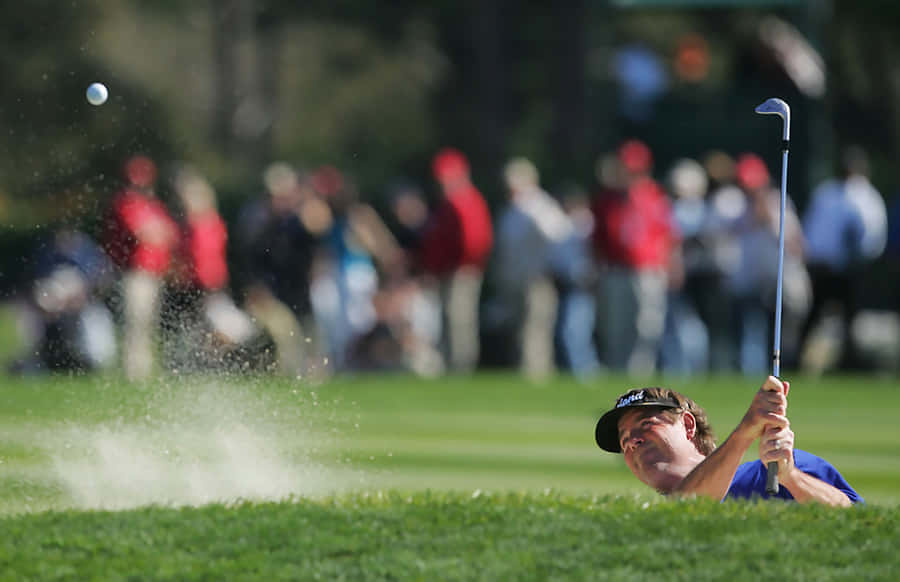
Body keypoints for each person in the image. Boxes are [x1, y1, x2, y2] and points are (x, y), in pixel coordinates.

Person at [593, 376, 862, 505]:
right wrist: (745, 431)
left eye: (646, 424)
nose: (632, 441)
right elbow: (687, 509)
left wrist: (791, 478)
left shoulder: (772, 469)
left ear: (688, 425)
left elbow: (858, 525)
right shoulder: (647, 523)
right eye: (623, 440)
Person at [798, 146, 887, 371]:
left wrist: (858, 257)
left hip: (851, 269)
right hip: (825, 268)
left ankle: (849, 361)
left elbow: (872, 234)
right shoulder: (828, 193)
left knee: (849, 319)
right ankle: (800, 360)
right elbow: (814, 230)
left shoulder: (865, 196)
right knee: (815, 316)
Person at [103, 155, 180, 380]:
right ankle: (133, 372)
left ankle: (144, 370)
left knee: (148, 324)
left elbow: (171, 234)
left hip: (154, 272)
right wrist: (157, 231)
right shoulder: (125, 203)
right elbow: (144, 234)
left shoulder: (152, 205)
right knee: (135, 323)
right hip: (134, 272)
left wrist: (156, 232)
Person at [418, 147, 493, 372]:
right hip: (448, 271)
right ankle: (453, 365)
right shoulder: (449, 203)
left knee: (459, 320)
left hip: (461, 271)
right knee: (450, 320)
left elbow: (476, 241)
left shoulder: (465, 201)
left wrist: (463, 264)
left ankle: (462, 367)